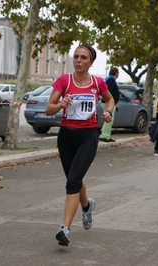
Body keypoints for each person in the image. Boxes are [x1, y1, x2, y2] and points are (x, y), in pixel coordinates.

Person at [45, 44, 115, 246]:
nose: (78, 60)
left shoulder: (98, 82)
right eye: (76, 56)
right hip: (66, 136)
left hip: (88, 136)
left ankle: (65, 229)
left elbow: (110, 100)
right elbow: (49, 109)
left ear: (90, 62)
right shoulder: (64, 81)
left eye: (83, 57)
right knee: (74, 179)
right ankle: (87, 205)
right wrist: (60, 104)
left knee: (73, 181)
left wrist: (108, 112)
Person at [99, 66, 120, 142]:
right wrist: (113, 102)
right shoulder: (111, 80)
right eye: (118, 73)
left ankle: (106, 135)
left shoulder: (109, 79)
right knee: (109, 120)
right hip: (108, 103)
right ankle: (105, 136)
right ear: (116, 73)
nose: (118, 74)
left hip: (108, 103)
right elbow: (109, 92)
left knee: (108, 120)